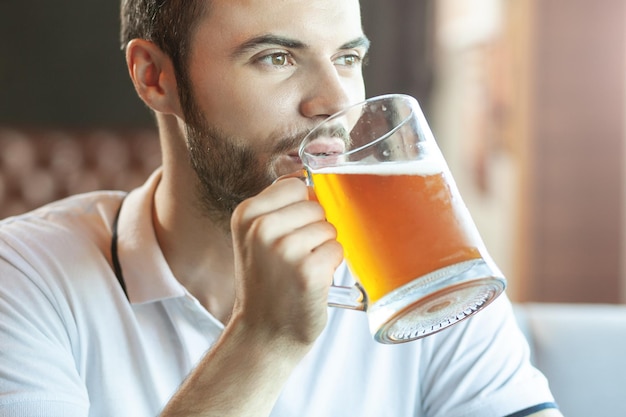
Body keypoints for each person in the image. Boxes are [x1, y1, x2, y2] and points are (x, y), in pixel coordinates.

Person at [0, 1, 563, 416]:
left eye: (347, 57)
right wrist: (263, 340)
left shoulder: (421, 264)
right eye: (276, 57)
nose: (337, 101)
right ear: (155, 76)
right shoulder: (22, 276)